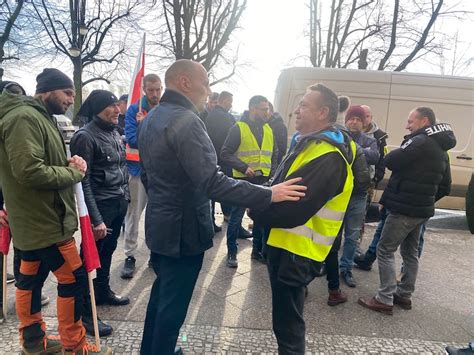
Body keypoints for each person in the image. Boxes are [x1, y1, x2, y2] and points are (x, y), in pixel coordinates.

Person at [138, 59, 306, 355]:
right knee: (173, 305)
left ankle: (152, 349)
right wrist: (267, 194)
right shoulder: (187, 120)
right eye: (205, 82)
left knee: (161, 296)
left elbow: (150, 177)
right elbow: (212, 182)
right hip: (182, 229)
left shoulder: (153, 116)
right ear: (185, 82)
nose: (208, 90)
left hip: (160, 222)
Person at [0, 68, 111, 354]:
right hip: (46, 220)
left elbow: (32, 162)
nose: (71, 100)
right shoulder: (25, 117)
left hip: (34, 219)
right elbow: (29, 171)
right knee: (72, 279)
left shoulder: (37, 116)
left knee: (30, 279)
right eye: (67, 93)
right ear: (47, 91)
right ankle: (75, 345)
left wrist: (65, 161)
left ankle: (34, 342)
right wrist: (72, 173)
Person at [251, 83, 356, 354]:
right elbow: (281, 187)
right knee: (287, 321)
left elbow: (293, 209)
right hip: (289, 248)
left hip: (297, 252)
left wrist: (255, 208)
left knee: (288, 327)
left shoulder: (328, 156)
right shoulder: (310, 144)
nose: (296, 110)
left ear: (323, 113)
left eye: (304, 105)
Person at [358, 107, 455, 315]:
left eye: (411, 121)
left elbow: (390, 161)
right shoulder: (441, 150)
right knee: (411, 253)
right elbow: (446, 186)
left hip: (403, 210)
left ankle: (384, 298)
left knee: (385, 250)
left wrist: (406, 141)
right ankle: (404, 295)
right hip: (421, 211)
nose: (407, 126)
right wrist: (425, 200)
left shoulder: (419, 141)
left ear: (424, 121)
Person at [70, 90, 131, 337]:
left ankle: (103, 292)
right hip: (100, 209)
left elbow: (121, 167)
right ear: (97, 108)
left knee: (107, 254)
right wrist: (96, 219)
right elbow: (83, 182)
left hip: (117, 204)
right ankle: (85, 313)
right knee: (89, 260)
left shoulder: (114, 133)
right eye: (111, 106)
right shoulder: (85, 137)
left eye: (117, 105)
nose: (117, 110)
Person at [221, 95, 279, 267]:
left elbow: (274, 154)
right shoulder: (238, 128)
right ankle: (232, 252)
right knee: (235, 217)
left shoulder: (269, 128)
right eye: (264, 109)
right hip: (242, 180)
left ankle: (257, 251)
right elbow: (225, 153)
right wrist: (243, 167)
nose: (267, 113)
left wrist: (273, 174)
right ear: (253, 109)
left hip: (263, 180)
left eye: (267, 109)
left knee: (260, 217)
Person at [121, 74, 162, 279]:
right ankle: (130, 255)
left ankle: (155, 252)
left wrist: (146, 126)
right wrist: (146, 126)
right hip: (137, 171)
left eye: (158, 89)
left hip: (161, 173)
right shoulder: (134, 110)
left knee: (158, 215)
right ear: (144, 89)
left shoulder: (165, 109)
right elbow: (132, 139)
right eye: (151, 90)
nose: (155, 94)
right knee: (134, 214)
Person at [339, 105, 379, 288]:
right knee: (333, 232)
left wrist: (353, 147)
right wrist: (359, 150)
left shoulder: (370, 140)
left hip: (358, 194)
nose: (353, 122)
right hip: (338, 193)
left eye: (358, 119)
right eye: (351, 118)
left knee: (352, 235)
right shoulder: (338, 137)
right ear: (346, 120)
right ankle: (326, 264)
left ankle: (345, 268)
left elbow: (374, 156)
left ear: (364, 123)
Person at [204, 91, 235, 232]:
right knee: (223, 190)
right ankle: (227, 216)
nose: (231, 105)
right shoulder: (227, 118)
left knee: (211, 194)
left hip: (210, 158)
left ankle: (210, 221)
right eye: (230, 102)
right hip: (224, 160)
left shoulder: (208, 116)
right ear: (225, 101)